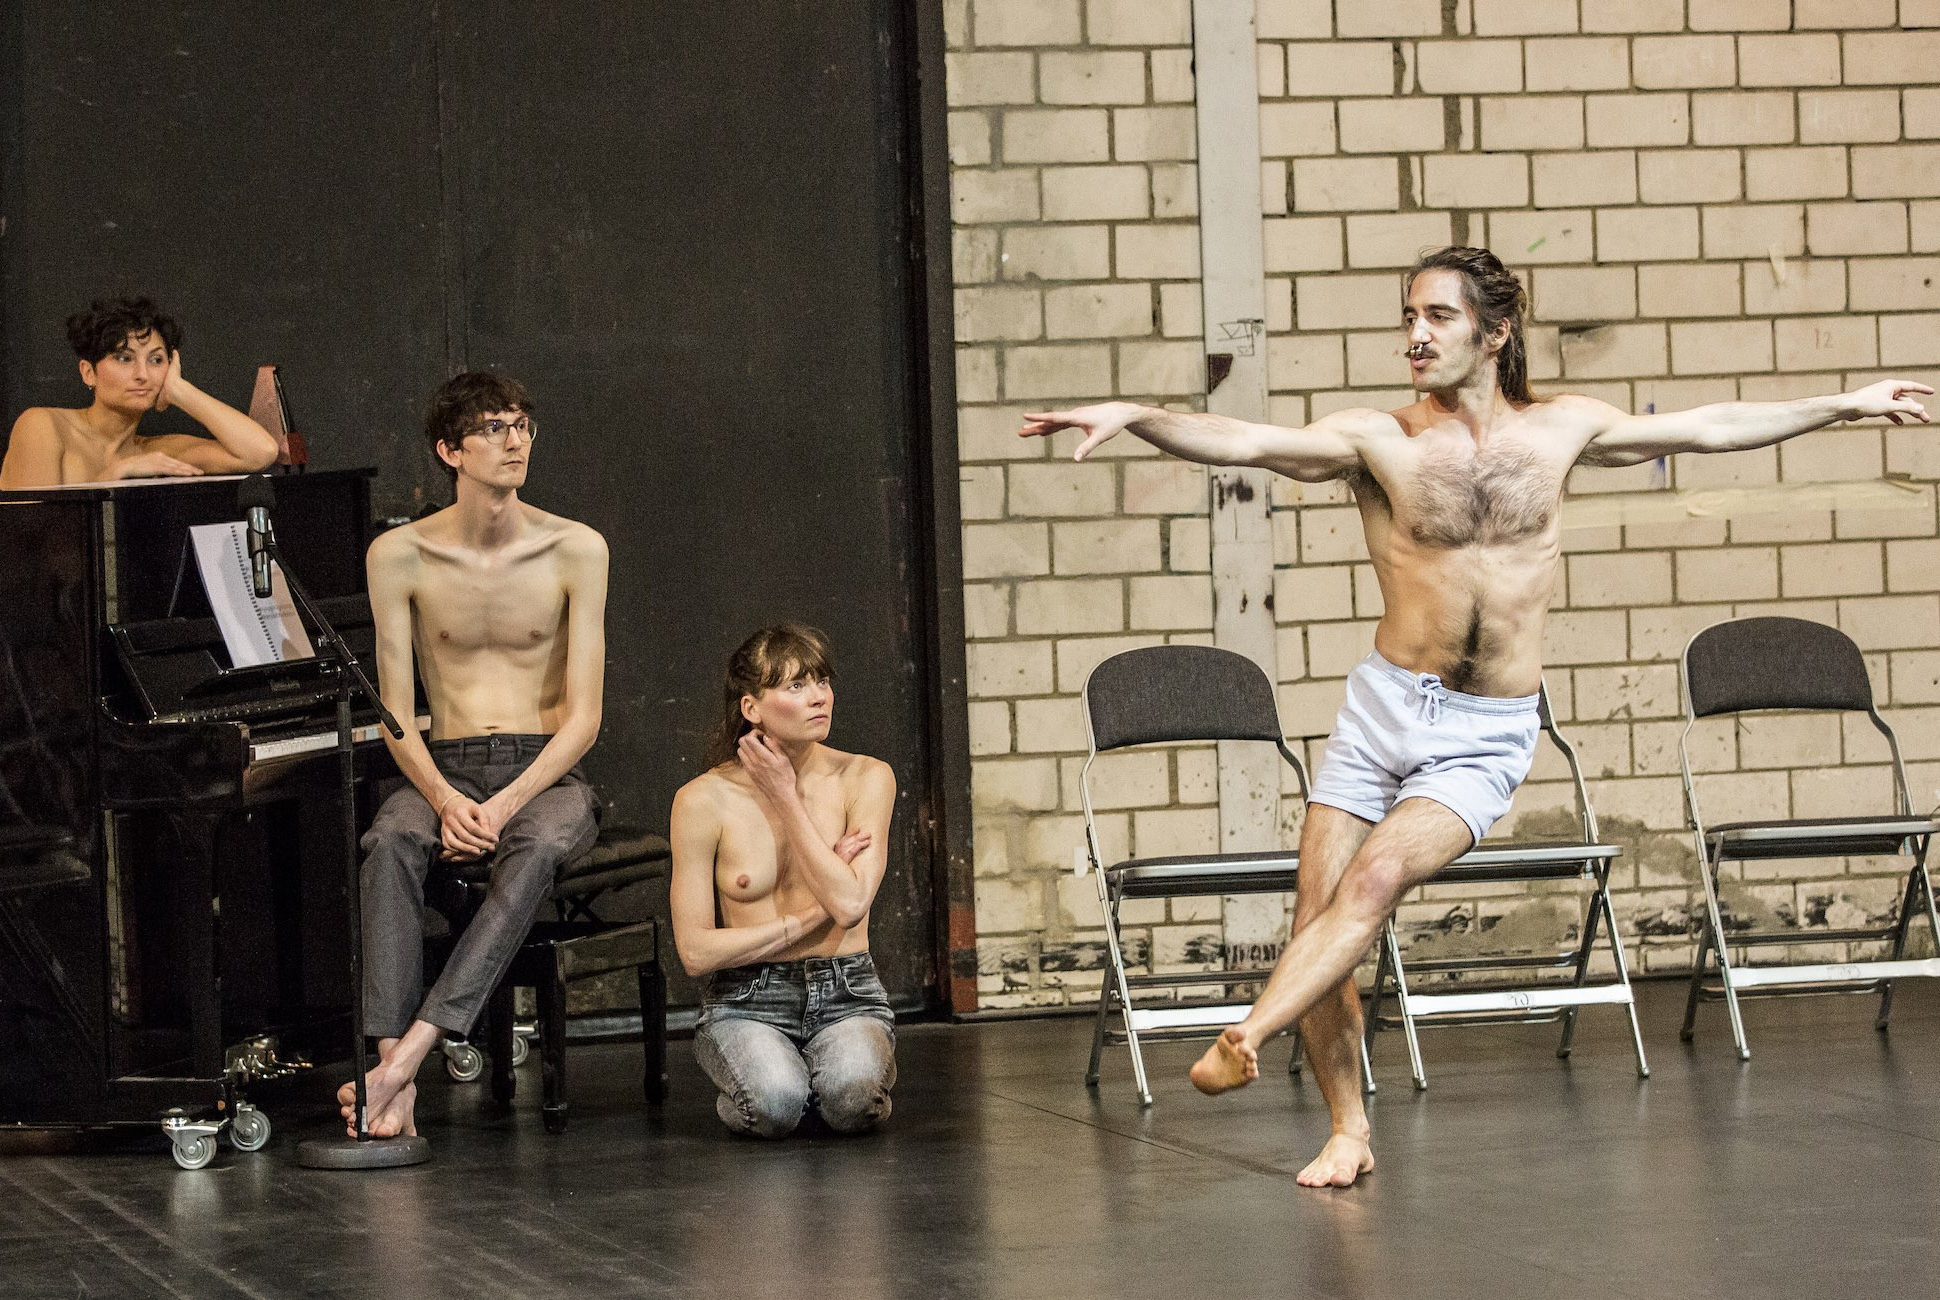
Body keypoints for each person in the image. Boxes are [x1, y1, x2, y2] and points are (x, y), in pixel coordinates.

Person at [1020, 244, 1932, 1188]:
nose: (1416, 335)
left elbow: (1711, 427)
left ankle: (1247, 1032)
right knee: (1318, 905)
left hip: (1486, 730)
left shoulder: (1564, 430)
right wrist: (1137, 417)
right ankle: (1347, 1130)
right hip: (1382, 710)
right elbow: (1246, 441)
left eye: (1439, 318)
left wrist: (1842, 403)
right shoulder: (1381, 440)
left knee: (1372, 881)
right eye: (1409, 317)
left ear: (1496, 331)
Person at [339, 371, 608, 1139]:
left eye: (522, 424)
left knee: (538, 846)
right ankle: (394, 1066)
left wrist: (505, 802)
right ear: (449, 450)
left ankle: (403, 1061)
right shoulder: (399, 555)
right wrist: (449, 799)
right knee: (390, 838)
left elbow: (584, 718)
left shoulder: (575, 548)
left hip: (543, 766)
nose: (513, 439)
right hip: (442, 764)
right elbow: (392, 709)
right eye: (492, 427)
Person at [670, 624, 898, 1138]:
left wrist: (785, 797)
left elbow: (852, 904)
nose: (819, 697)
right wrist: (814, 913)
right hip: (746, 998)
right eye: (796, 686)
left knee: (852, 1102)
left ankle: (846, 1072)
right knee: (774, 1106)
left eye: (821, 681)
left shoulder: (866, 777)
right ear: (752, 707)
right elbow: (696, 953)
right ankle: (785, 1081)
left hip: (848, 988)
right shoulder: (701, 800)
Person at [0, 297, 278, 488]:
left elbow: (260, 452)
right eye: (124, 358)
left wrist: (180, 390)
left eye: (156, 360)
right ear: (88, 372)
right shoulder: (43, 426)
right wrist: (113, 475)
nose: (142, 374)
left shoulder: (155, 451)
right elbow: (33, 539)